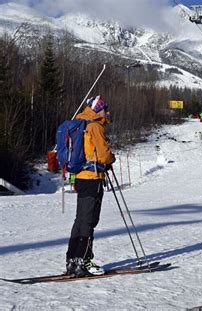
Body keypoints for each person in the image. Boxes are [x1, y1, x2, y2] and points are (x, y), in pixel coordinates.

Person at [66, 95, 115, 276]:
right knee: (89, 220)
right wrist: (111, 158)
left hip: (80, 177)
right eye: (105, 108)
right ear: (98, 109)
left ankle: (72, 260)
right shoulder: (95, 126)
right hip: (92, 178)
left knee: (80, 219)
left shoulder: (81, 123)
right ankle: (84, 261)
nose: (107, 112)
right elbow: (103, 155)